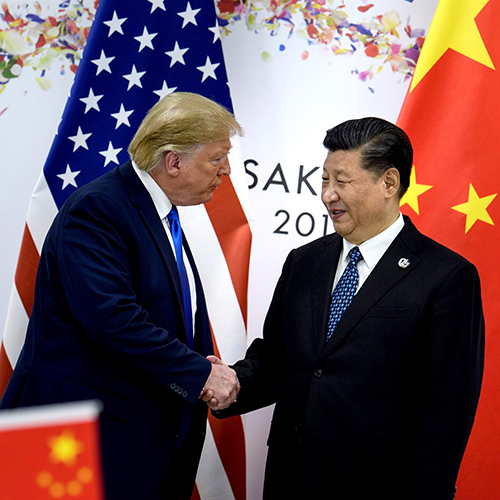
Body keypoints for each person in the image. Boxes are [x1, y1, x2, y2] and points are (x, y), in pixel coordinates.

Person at [212, 117, 484, 500]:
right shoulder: (303, 262)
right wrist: (232, 384)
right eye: (325, 180)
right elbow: (277, 359)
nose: (328, 195)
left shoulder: (446, 277)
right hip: (290, 480)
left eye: (342, 181)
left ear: (389, 183)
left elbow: (447, 411)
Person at [0, 92, 241, 499]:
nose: (227, 171)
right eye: (216, 159)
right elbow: (112, 318)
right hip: (74, 443)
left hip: (127, 443)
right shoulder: (99, 209)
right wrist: (200, 373)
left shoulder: (157, 213)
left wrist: (197, 363)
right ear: (174, 160)